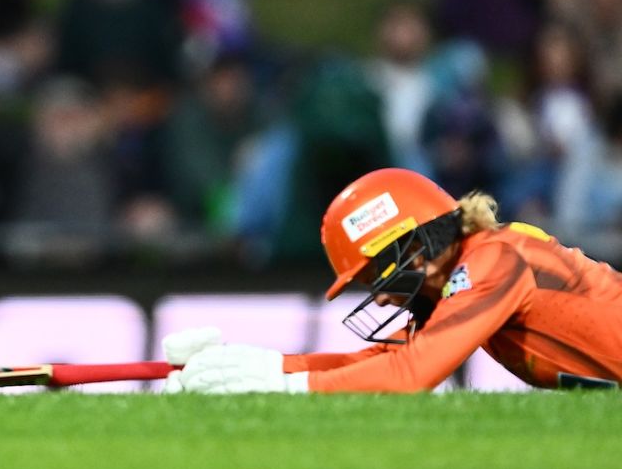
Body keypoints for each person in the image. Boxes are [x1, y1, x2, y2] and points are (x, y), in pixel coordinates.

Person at [162, 167, 622, 393]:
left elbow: (410, 375)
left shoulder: (495, 262)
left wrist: (278, 385)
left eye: (379, 274)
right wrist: (254, 365)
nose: (381, 297)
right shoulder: (469, 268)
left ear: (419, 243)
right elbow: (375, 361)